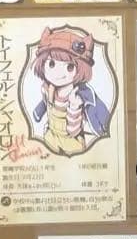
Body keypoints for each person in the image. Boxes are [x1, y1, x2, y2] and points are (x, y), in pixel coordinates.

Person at [30, 26, 111, 156]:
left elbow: (74, 131)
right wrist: (38, 113)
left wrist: (74, 107)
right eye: (51, 64)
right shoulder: (48, 88)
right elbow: (45, 103)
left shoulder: (78, 96)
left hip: (72, 142)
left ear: (81, 69)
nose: (58, 73)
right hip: (50, 136)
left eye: (69, 67)